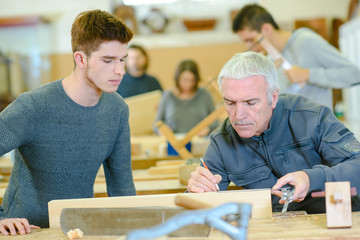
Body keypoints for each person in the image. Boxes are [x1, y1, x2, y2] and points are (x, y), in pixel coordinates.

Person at [0, 9, 136, 236]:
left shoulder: (117, 110)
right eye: (108, 60)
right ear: (81, 59)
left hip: (76, 230)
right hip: (24, 232)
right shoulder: (33, 106)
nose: (119, 70)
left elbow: (122, 189)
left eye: (122, 59)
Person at [187, 51, 360, 214]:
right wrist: (195, 190)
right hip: (276, 231)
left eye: (250, 102)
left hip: (336, 222)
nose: (239, 115)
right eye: (230, 103)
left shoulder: (311, 117)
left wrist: (311, 178)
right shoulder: (222, 142)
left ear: (274, 97)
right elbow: (196, 209)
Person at [232, 4, 360, 109]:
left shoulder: (305, 41)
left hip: (318, 135)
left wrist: (308, 74)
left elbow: (354, 74)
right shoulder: (271, 60)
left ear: (266, 29)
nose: (250, 47)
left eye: (251, 40)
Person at [154, 59, 217, 136]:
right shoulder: (167, 96)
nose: (188, 84)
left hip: (200, 141)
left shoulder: (204, 94)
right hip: (174, 142)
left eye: (192, 80)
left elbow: (215, 120)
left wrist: (208, 128)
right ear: (177, 78)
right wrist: (162, 130)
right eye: (185, 80)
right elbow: (156, 125)